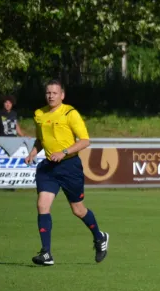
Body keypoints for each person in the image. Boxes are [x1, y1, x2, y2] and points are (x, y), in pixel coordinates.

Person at [24, 79, 109, 266]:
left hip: (69, 166)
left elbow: (85, 141)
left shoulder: (70, 113)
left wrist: (63, 152)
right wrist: (32, 153)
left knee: (78, 210)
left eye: (54, 93)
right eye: (48, 92)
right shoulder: (39, 114)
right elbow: (40, 139)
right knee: (42, 205)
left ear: (62, 95)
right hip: (48, 167)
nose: (51, 96)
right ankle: (46, 253)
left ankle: (99, 237)